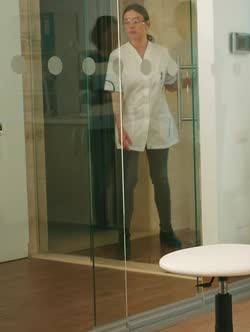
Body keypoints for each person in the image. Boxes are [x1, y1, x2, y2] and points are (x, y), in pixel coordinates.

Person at [105, 3, 182, 252]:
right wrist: (120, 126)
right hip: (130, 125)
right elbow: (116, 95)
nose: (131, 26)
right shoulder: (118, 56)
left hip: (159, 123)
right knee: (128, 180)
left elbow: (171, 83)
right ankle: (123, 235)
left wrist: (184, 82)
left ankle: (167, 230)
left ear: (147, 24)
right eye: (126, 22)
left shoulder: (161, 53)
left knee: (160, 178)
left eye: (136, 20)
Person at [84, 16, 118, 230]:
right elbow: (86, 96)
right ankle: (102, 223)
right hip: (99, 127)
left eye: (116, 32)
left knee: (119, 179)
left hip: (119, 126)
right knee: (100, 178)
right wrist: (112, 95)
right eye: (110, 32)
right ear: (100, 35)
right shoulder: (89, 59)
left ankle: (118, 222)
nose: (114, 37)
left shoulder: (119, 59)